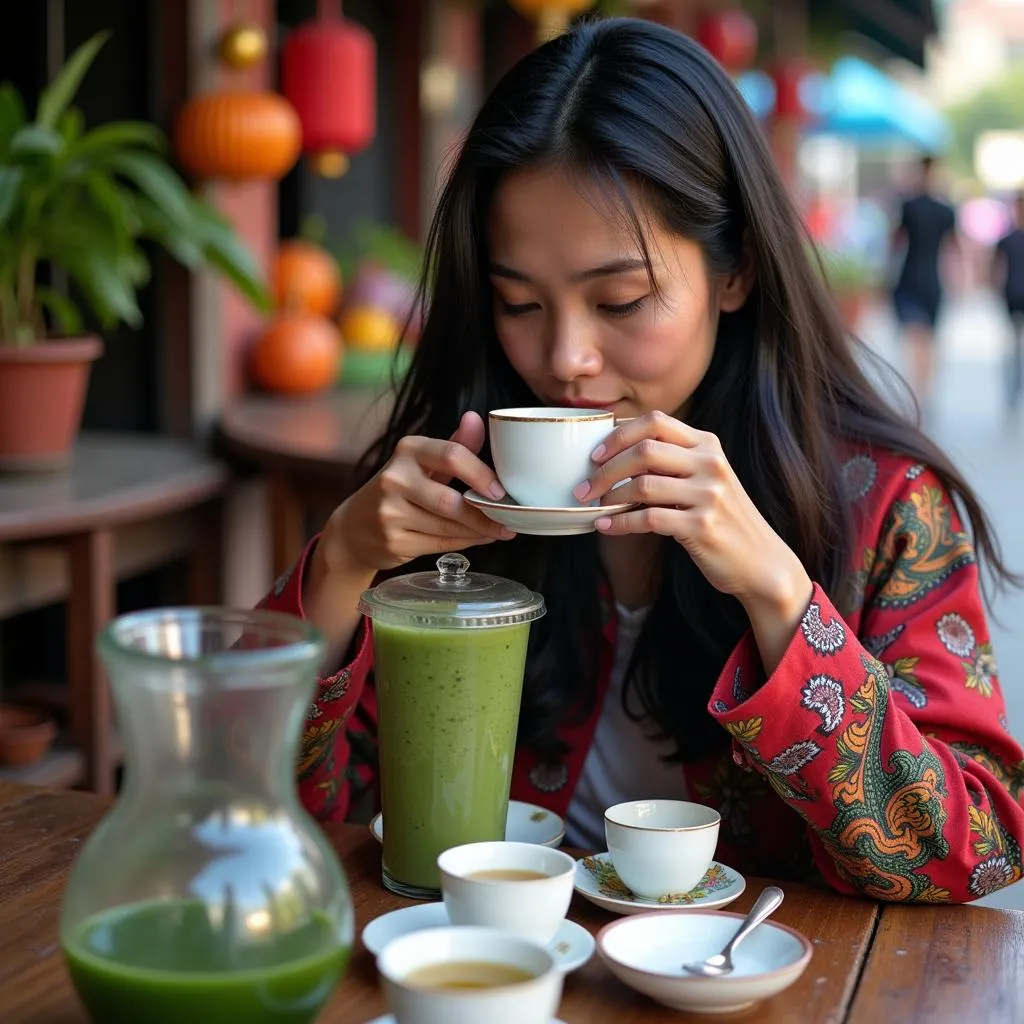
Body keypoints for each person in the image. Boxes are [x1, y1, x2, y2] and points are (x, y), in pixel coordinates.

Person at [262, 19, 1024, 904]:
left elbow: (974, 849)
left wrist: (780, 596)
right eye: (519, 302)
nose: (565, 359)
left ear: (734, 270)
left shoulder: (884, 503)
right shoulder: (450, 484)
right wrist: (342, 564)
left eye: (620, 299)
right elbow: (270, 811)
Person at [890, 155, 958, 417]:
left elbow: (895, 241)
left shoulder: (909, 206)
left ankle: (919, 391)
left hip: (910, 276)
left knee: (915, 338)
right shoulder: (945, 210)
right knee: (927, 340)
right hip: (932, 280)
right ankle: (924, 390)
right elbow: (954, 249)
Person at [992, 192, 1024, 415]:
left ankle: (1014, 389)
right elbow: (996, 270)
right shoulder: (1006, 239)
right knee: (1013, 348)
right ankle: (1013, 389)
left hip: (1011, 296)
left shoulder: (1007, 239)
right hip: (1012, 297)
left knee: (1014, 348)